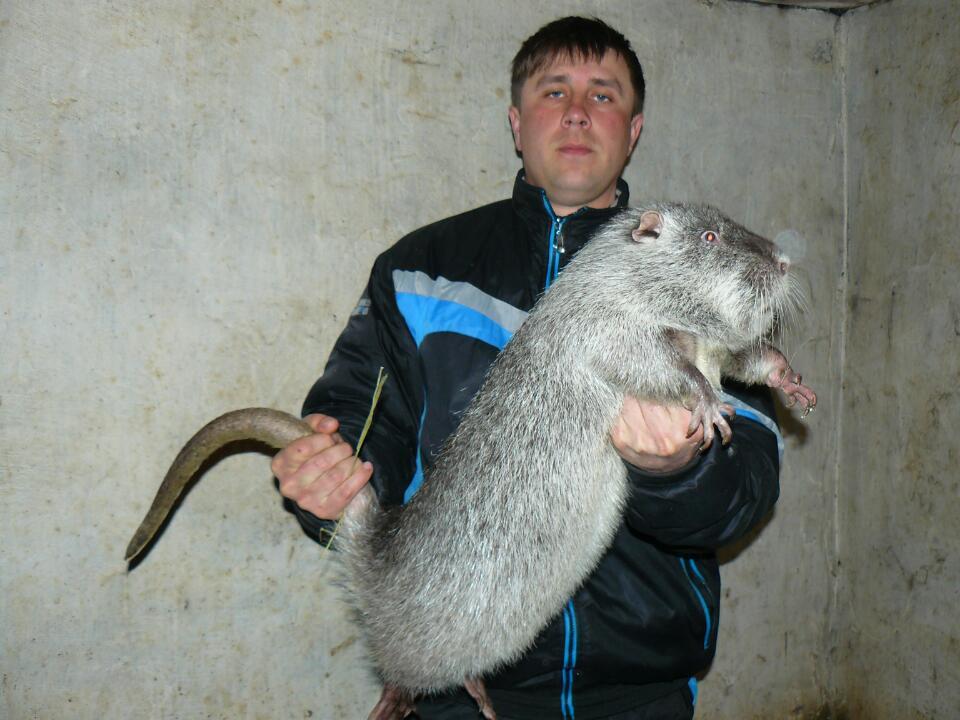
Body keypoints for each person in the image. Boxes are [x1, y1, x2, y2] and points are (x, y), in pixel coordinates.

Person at [272, 16, 781, 720]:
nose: (577, 112)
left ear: (633, 133)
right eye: (553, 92)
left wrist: (676, 473)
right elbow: (363, 433)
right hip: (458, 680)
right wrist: (328, 476)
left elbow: (749, 486)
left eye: (604, 95)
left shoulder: (700, 272)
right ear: (517, 123)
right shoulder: (421, 268)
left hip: (637, 690)